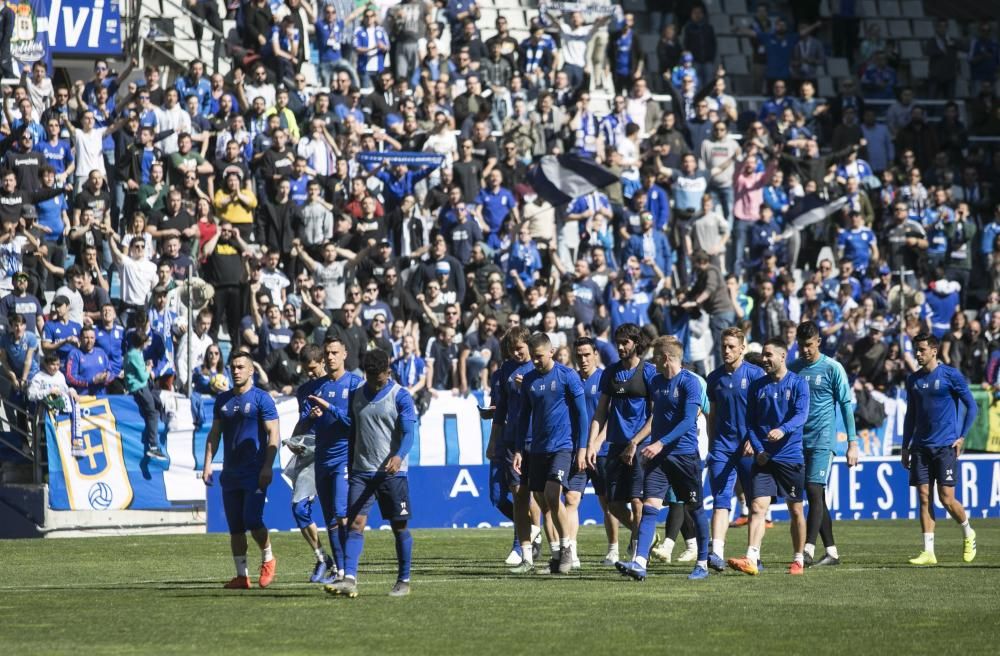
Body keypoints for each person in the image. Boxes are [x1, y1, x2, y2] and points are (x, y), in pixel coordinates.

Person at [321, 348, 417, 598]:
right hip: (362, 472)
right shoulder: (356, 395)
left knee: (399, 527)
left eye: (380, 377)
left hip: (392, 473)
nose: (375, 382)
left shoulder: (401, 396)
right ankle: (350, 578)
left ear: (388, 371)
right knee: (355, 523)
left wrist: (398, 456)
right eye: (371, 377)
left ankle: (403, 580)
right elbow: (352, 428)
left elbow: (409, 434)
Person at [614, 335, 710, 581]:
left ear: (666, 358)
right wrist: (640, 443)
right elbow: (656, 417)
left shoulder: (690, 383)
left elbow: (688, 420)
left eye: (655, 357)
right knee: (649, 508)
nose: (651, 361)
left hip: (684, 457)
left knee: (695, 508)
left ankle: (703, 562)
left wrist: (659, 443)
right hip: (659, 459)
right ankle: (639, 563)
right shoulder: (656, 382)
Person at [728, 338, 810, 576]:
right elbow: (750, 423)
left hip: (790, 457)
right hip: (764, 458)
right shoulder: (758, 386)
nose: (764, 359)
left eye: (768, 355)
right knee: (757, 506)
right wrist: (758, 449)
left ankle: (798, 560)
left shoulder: (798, 384)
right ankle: (751, 557)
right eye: (763, 355)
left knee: (795, 510)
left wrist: (783, 430)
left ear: (783, 356)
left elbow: (801, 415)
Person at [202, 352, 281, 589]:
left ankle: (268, 558)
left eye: (240, 367)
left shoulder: (262, 399)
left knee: (252, 520)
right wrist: (207, 463)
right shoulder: (222, 401)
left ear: (250, 371)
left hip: (255, 472)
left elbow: (273, 434)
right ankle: (241, 575)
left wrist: (268, 466)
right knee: (235, 526)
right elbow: (214, 434)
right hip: (230, 473)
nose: (235, 371)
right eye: (233, 367)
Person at [513, 332, 587, 575]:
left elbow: (582, 414)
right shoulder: (529, 381)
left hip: (562, 447)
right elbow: (523, 416)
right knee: (543, 503)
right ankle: (556, 557)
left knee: (553, 494)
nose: (535, 361)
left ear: (551, 352)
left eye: (539, 357)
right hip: (537, 450)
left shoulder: (567, 376)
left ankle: (567, 549)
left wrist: (582, 447)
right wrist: (518, 449)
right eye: (533, 357)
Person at [902, 333, 978, 566]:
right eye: (916, 349)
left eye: (922, 349)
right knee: (924, 498)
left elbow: (972, 406)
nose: (917, 354)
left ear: (934, 351)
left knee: (946, 499)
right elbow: (910, 415)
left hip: (944, 446)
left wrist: (962, 436)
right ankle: (928, 551)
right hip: (920, 448)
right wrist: (906, 446)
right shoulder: (913, 380)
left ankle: (968, 532)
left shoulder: (950, 375)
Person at [788, 321, 859, 567]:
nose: (805, 350)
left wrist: (853, 443)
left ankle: (807, 549)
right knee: (815, 495)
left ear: (818, 341)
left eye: (809, 345)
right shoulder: (793, 369)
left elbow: (846, 407)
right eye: (801, 345)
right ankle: (832, 552)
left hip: (822, 440)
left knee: (814, 490)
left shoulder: (832, 368)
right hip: (797, 441)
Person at [585, 323, 656, 566]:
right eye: (618, 342)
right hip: (614, 445)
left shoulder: (649, 372)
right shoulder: (611, 373)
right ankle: (644, 535)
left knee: (637, 500)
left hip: (639, 445)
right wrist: (592, 444)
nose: (620, 346)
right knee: (614, 504)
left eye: (625, 342)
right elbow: (600, 412)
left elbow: (654, 416)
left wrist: (635, 442)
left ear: (636, 343)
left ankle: (638, 553)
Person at [296, 338, 364, 584]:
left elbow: (354, 423)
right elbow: (302, 425)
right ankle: (339, 571)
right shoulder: (314, 388)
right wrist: (310, 418)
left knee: (341, 513)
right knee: (330, 520)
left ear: (345, 353)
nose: (331, 357)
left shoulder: (356, 384)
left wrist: (329, 408)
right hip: (321, 459)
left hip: (344, 457)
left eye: (335, 352)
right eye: (328, 353)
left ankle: (349, 570)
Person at [704, 327, 765, 571]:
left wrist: (756, 439)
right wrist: (711, 444)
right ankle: (716, 553)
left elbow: (765, 413)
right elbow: (712, 415)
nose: (726, 351)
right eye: (723, 346)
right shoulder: (714, 378)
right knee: (721, 500)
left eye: (731, 346)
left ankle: (753, 556)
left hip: (750, 447)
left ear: (742, 348)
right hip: (722, 447)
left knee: (756, 504)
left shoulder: (756, 375)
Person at [485, 326, 543, 570]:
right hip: (507, 439)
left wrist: (528, 387)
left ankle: (521, 544)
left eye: (519, 349)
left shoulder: (538, 369)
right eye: (512, 350)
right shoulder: (505, 371)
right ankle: (531, 529)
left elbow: (545, 403)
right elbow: (500, 407)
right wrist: (493, 439)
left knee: (523, 492)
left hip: (532, 439)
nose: (516, 354)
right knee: (497, 496)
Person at [285, 344, 334, 583]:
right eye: (306, 370)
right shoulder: (304, 390)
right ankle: (324, 559)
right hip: (310, 453)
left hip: (335, 451)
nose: (310, 374)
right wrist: (294, 440)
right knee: (299, 508)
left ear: (323, 361)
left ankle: (343, 569)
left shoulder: (336, 385)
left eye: (313, 369)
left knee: (338, 512)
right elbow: (301, 423)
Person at [574, 336, 618, 565]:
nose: (583, 359)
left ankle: (614, 549)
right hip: (576, 451)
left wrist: (597, 442)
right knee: (570, 500)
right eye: (579, 355)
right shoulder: (571, 380)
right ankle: (569, 550)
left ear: (595, 355)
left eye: (587, 355)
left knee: (608, 504)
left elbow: (611, 416)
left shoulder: (604, 379)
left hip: (601, 452)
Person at [124, 331, 166, 461]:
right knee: (152, 413)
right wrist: (148, 369)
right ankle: (153, 446)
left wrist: (145, 365)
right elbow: (142, 376)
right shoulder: (134, 355)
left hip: (142, 386)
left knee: (158, 400)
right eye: (147, 341)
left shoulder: (134, 354)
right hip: (139, 388)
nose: (149, 344)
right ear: (142, 343)